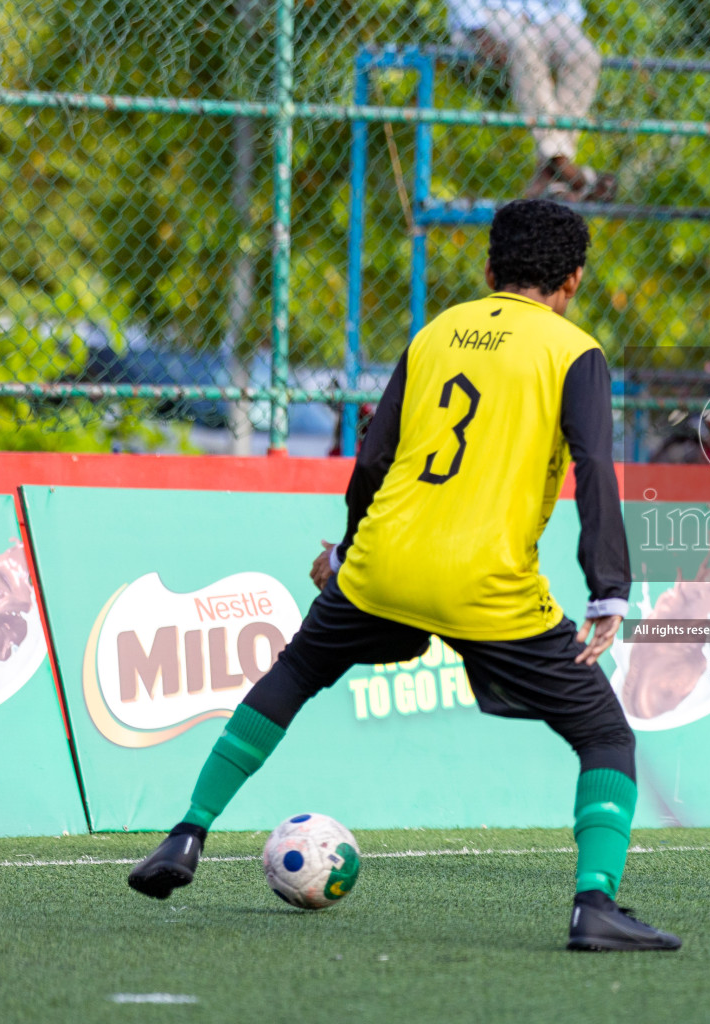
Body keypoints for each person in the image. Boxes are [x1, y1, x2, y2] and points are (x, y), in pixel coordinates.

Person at [126, 201, 679, 953]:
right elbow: (593, 471)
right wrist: (608, 587)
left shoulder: (434, 334)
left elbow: (373, 457)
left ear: (489, 271)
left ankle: (185, 835)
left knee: (294, 674)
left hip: (383, 566)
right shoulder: (574, 350)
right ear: (574, 281)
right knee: (604, 735)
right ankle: (594, 906)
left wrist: (348, 551)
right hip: (487, 587)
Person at [449, 0, 615, 201]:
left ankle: (551, 166)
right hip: (487, 13)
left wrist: (568, 21)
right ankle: (559, 163)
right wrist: (476, 27)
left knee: (585, 56)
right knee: (525, 45)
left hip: (542, 14)